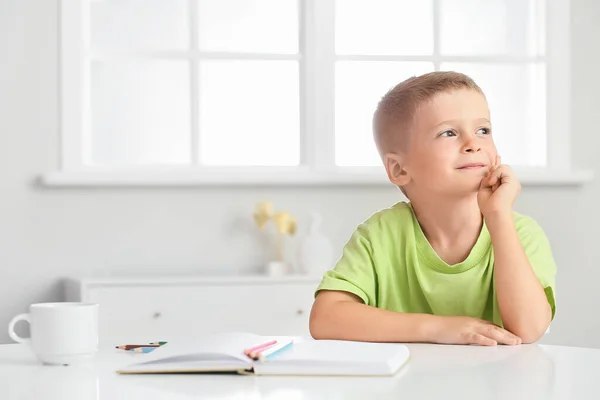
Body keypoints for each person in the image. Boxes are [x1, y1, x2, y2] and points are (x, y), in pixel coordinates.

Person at [309, 71, 556, 345]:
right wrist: (438, 329)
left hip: (498, 384)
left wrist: (498, 216)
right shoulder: (379, 235)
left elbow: (529, 329)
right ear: (399, 169)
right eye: (448, 133)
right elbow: (325, 318)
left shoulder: (520, 233)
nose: (473, 144)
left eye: (482, 130)